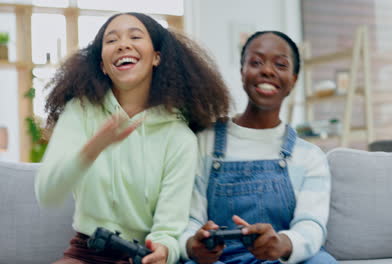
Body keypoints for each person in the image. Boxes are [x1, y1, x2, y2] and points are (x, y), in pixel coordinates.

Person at [35, 12, 230, 264]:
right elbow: (47, 194)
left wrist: (164, 251)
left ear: (157, 57)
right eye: (111, 40)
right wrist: (92, 149)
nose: (123, 45)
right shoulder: (80, 111)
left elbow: (168, 229)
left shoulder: (179, 137)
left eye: (135, 36)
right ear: (103, 65)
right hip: (87, 251)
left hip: (142, 255)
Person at [179, 31, 338, 264]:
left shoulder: (310, 157)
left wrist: (283, 243)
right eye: (256, 62)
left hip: (281, 258)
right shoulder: (204, 142)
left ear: (293, 80)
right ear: (242, 71)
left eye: (280, 65)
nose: (267, 70)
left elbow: (310, 224)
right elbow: (189, 219)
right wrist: (194, 243)